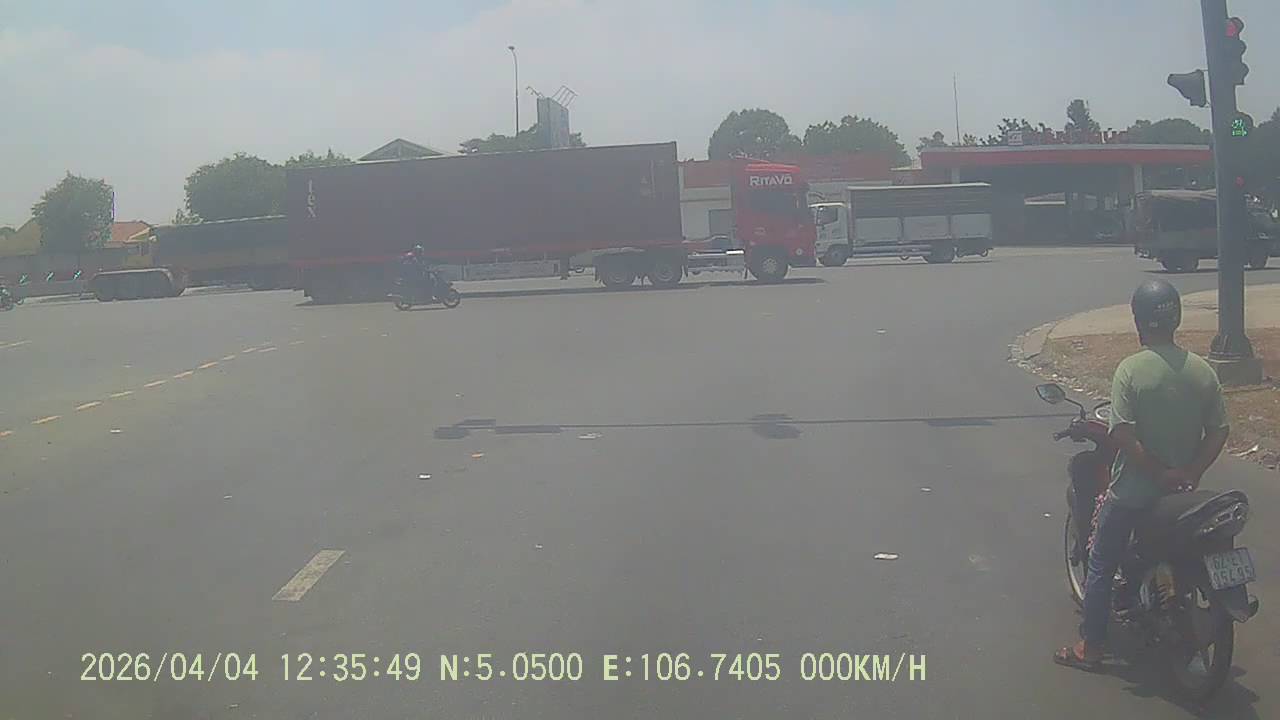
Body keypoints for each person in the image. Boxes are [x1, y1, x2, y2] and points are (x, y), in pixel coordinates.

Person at [1054, 279, 1230, 670]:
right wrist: (1190, 471)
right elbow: (1219, 430)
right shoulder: (1202, 371)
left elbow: (1121, 433)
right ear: (1176, 318)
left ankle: (1090, 648)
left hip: (1134, 493)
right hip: (1183, 494)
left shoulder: (1131, 370)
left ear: (1138, 321)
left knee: (1100, 564)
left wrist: (1158, 473)